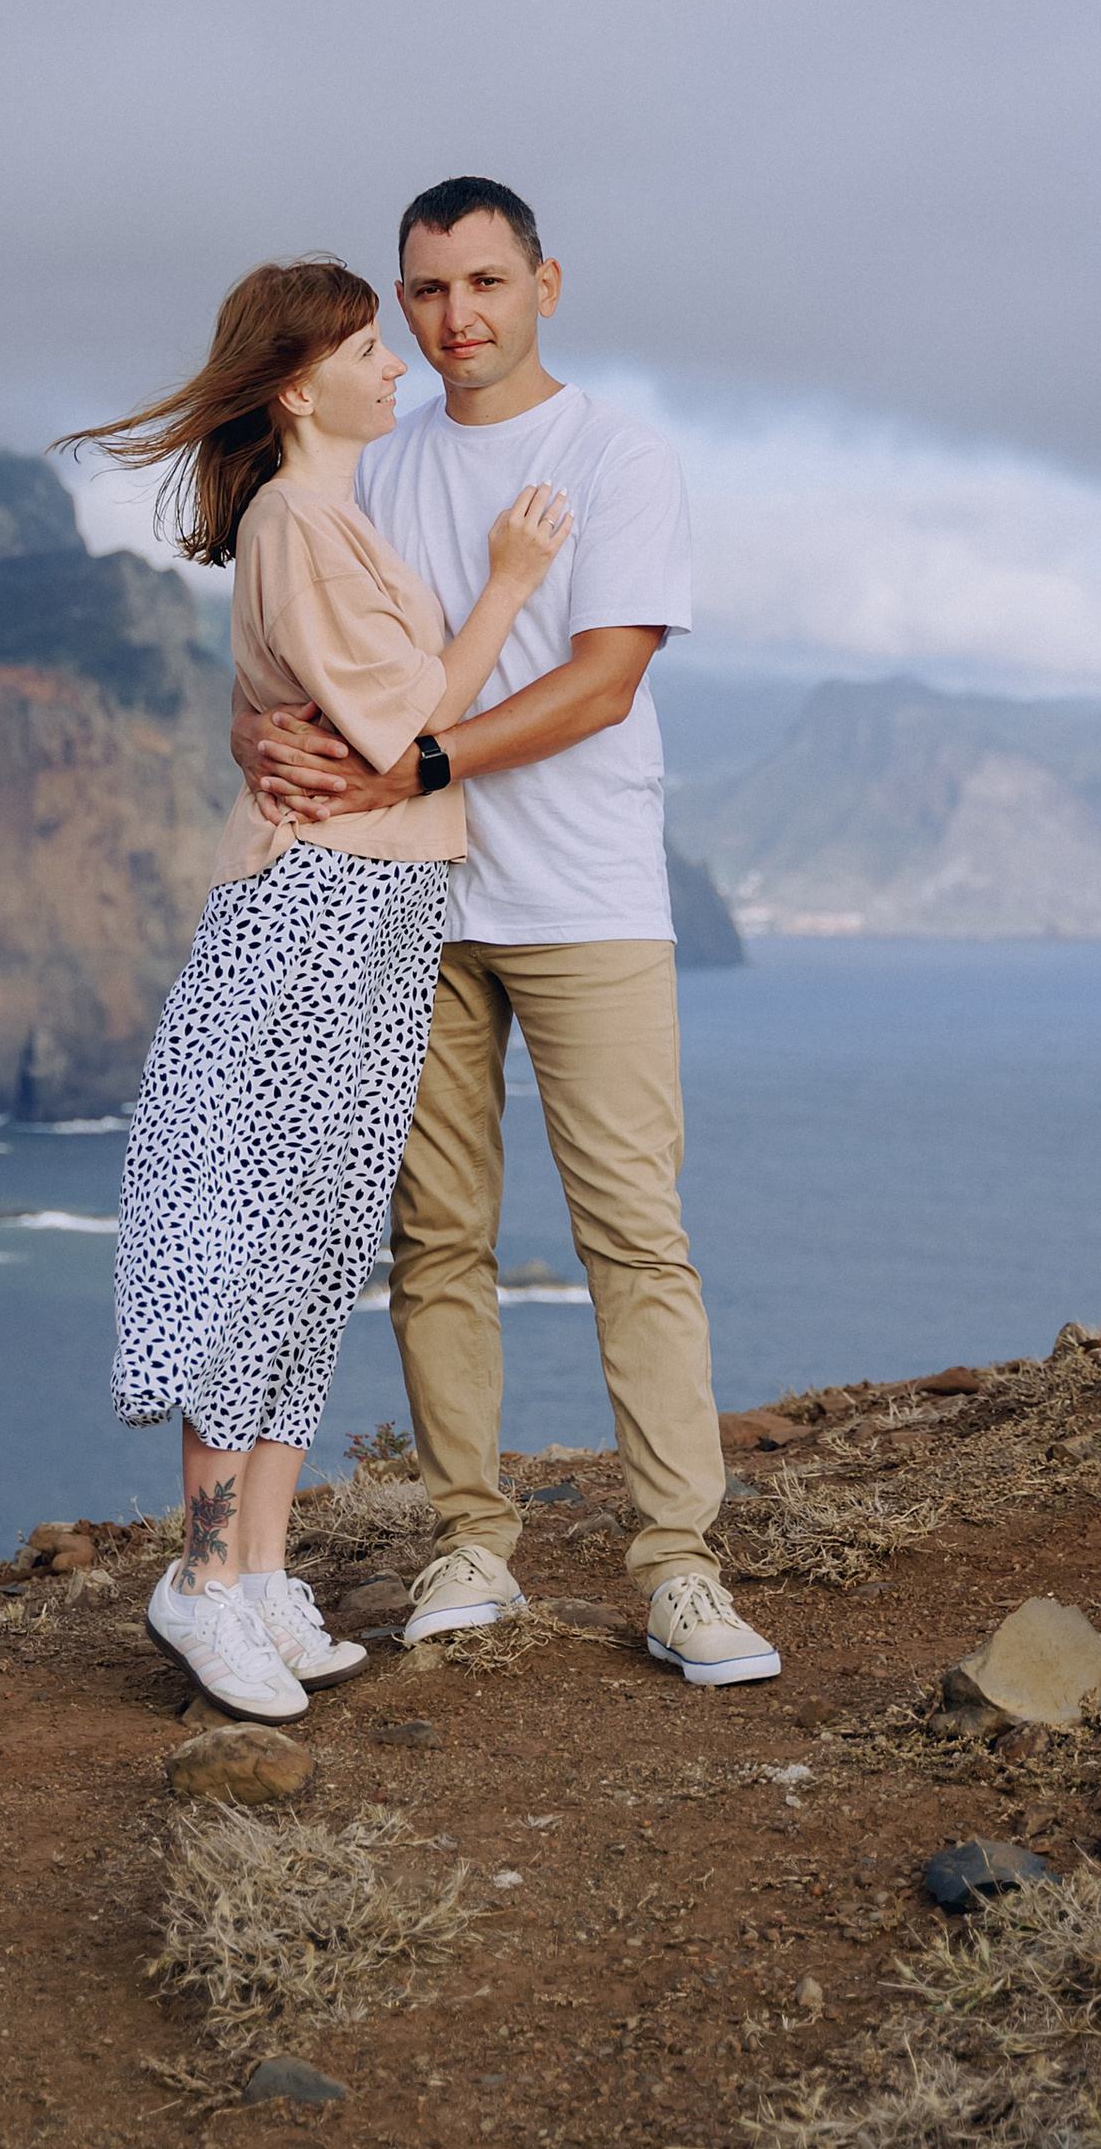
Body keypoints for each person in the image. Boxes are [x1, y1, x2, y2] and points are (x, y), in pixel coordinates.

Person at [238, 175, 780, 1691]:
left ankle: (679, 1567)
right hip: (411, 905)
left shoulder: (617, 454)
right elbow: (318, 659)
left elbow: (603, 681)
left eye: (485, 282)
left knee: (634, 1237)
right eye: (426, 292)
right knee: (435, 1246)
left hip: (590, 900)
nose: (456, 318)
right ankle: (470, 1541)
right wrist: (267, 752)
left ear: (549, 282)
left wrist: (416, 764)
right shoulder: (376, 465)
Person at [62, 254, 572, 1721]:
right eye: (367, 345)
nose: (395, 363)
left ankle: (263, 1573)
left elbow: (283, 714)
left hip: (377, 904)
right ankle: (208, 1582)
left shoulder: (327, 521)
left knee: (313, 1245)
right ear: (300, 383)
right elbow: (417, 718)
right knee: (252, 1238)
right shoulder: (299, 515)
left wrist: (266, 740)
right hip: (313, 910)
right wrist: (514, 588)